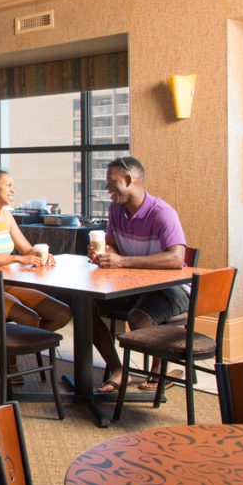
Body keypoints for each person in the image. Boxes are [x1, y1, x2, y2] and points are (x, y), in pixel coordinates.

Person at [90, 156, 187, 394]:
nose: (107, 188)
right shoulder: (116, 210)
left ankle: (159, 371)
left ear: (129, 180)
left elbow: (176, 259)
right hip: (132, 285)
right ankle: (118, 369)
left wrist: (122, 262)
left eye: (111, 182)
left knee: (138, 319)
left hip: (171, 288)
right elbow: (112, 243)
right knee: (85, 307)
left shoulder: (162, 213)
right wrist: (105, 254)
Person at [0, 169, 71, 332]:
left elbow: (26, 249)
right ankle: (5, 351)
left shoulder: (6, 217)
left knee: (61, 313)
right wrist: (16, 259)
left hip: (6, 282)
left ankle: (3, 348)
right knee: (29, 318)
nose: (13, 190)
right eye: (8, 185)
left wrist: (44, 255)